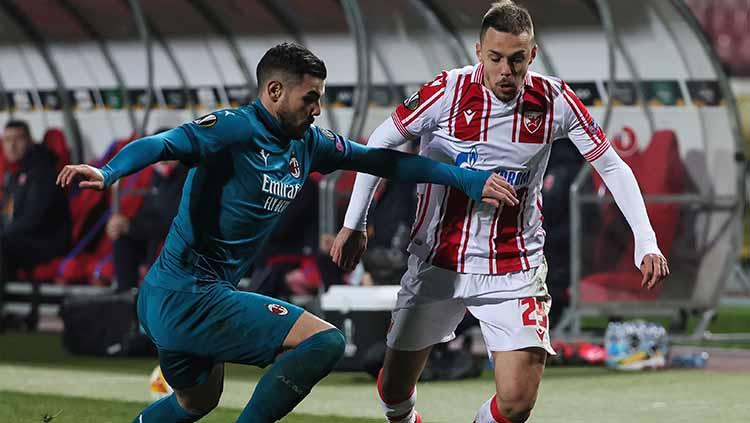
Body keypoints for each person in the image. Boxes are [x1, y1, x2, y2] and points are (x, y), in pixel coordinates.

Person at [57, 42, 511, 423]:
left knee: (196, 402)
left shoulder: (306, 143)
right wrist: (108, 170)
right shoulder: (235, 128)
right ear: (274, 90)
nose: (318, 109)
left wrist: (463, 178)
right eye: (310, 97)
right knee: (326, 340)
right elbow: (162, 143)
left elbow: (383, 160)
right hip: (187, 293)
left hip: (178, 296)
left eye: (321, 98)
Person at [330, 2, 670, 422]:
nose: (505, 70)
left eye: (516, 59)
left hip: (514, 266)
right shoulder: (448, 91)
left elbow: (612, 165)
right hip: (439, 261)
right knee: (394, 390)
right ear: (479, 52)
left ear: (533, 54)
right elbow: (379, 144)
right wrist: (355, 223)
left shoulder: (555, 100)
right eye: (495, 58)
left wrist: (646, 240)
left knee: (516, 403)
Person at [0, 120, 70, 312]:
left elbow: (33, 219)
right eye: (7, 140)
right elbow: (8, 214)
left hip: (45, 241)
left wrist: (5, 234)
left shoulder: (42, 171)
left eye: (18, 139)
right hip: (20, 239)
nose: (12, 146)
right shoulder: (15, 173)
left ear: (30, 141)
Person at [107, 159, 188, 292]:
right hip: (155, 237)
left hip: (179, 242)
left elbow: (173, 222)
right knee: (122, 238)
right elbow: (148, 213)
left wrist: (130, 226)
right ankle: (125, 296)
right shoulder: (159, 177)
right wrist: (122, 225)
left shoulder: (187, 177)